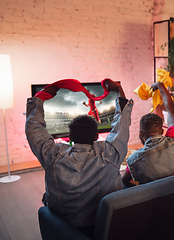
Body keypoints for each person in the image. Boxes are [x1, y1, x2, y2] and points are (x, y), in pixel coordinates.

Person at [25, 79, 133, 237]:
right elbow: (122, 122)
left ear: (70, 137)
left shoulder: (52, 155)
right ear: (97, 136)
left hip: (62, 228)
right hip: (107, 225)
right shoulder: (111, 153)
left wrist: (42, 95)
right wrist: (118, 89)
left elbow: (33, 128)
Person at [121, 82, 174, 185]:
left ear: (141, 134)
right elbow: (172, 111)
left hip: (155, 200)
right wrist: (160, 86)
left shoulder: (133, 160)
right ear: (162, 132)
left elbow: (123, 181)